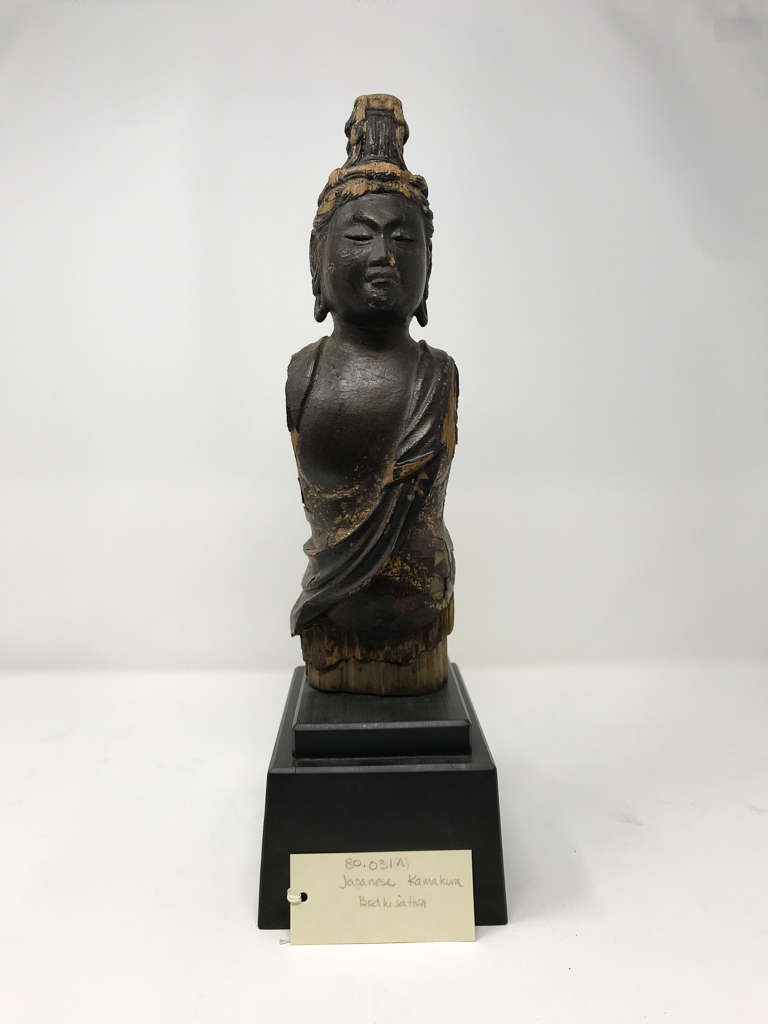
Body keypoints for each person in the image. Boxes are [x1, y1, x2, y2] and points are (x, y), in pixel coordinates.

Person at [286, 95, 458, 695]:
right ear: (318, 263)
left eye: (404, 240)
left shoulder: (437, 375)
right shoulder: (304, 373)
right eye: (359, 235)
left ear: (429, 268)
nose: (384, 256)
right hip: (333, 621)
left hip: (422, 618)